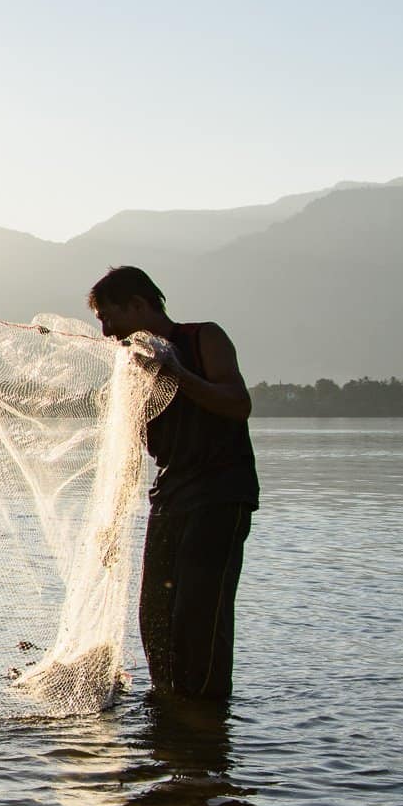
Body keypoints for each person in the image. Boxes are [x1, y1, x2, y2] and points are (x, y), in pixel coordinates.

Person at [89, 265, 259, 704]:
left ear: (140, 305)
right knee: (156, 617)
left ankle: (205, 714)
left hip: (221, 495)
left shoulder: (205, 339)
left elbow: (238, 404)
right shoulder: (133, 366)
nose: (107, 331)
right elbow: (128, 451)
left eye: (111, 317)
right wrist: (113, 523)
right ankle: (170, 713)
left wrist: (176, 372)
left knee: (199, 616)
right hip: (170, 497)